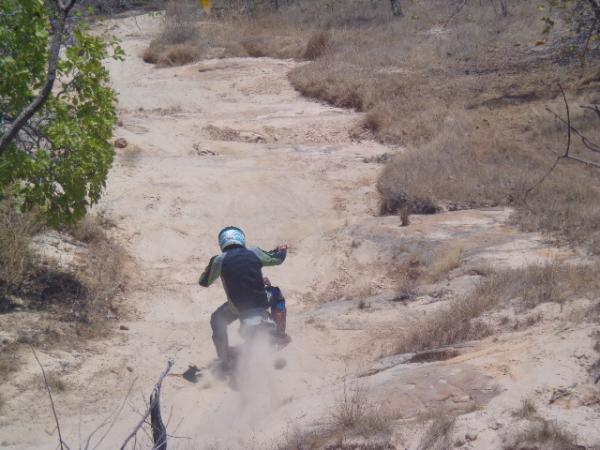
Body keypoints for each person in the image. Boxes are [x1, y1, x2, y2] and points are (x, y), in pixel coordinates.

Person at [199, 226, 287, 366]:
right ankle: (280, 334)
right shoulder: (254, 252)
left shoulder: (219, 260)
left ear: (222, 243)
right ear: (241, 239)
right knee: (276, 293)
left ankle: (224, 359)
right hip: (262, 301)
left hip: (236, 309)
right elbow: (277, 259)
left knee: (217, 319)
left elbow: (204, 282)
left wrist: (212, 268)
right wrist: (281, 250)